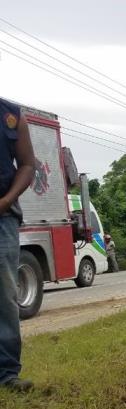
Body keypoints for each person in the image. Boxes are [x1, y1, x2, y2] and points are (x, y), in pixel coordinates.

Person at [0, 98, 36, 393]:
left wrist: (6, 201)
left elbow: (27, 165)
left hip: (1, 218)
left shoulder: (11, 116)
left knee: (4, 297)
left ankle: (7, 375)